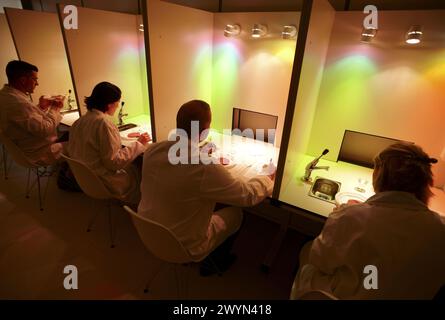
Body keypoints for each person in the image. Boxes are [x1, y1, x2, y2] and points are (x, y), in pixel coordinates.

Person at [290, 142, 445, 299]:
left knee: (308, 255)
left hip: (340, 295)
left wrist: (342, 216)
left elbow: (320, 260)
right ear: (427, 182)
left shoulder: (349, 218)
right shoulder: (440, 229)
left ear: (379, 175)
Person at [138, 100, 275, 276]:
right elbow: (247, 196)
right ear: (205, 132)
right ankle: (215, 262)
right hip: (183, 244)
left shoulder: (152, 150)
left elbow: (180, 171)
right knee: (236, 213)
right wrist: (267, 177)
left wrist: (201, 154)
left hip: (148, 230)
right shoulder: (203, 167)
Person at [67, 82, 150, 204]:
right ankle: (141, 206)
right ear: (109, 104)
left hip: (85, 179)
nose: (117, 106)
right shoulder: (104, 124)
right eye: (117, 102)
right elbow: (114, 162)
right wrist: (140, 144)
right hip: (103, 182)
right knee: (140, 167)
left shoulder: (79, 121)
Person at [0, 60, 64, 165]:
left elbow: (26, 119)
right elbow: (45, 129)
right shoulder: (17, 103)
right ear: (23, 80)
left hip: (25, 147)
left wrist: (41, 107)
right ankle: (72, 177)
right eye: (35, 79)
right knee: (79, 140)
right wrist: (55, 108)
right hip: (39, 152)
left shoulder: (6, 96)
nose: (37, 83)